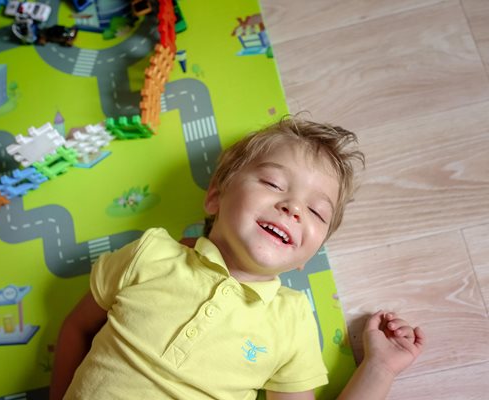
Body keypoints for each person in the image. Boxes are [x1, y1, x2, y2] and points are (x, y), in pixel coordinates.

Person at [50, 116, 425, 400]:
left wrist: (380, 368)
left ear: (307, 258)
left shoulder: (290, 320)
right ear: (216, 196)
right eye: (274, 184)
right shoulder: (150, 254)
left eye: (316, 213)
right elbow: (77, 328)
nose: (293, 207)